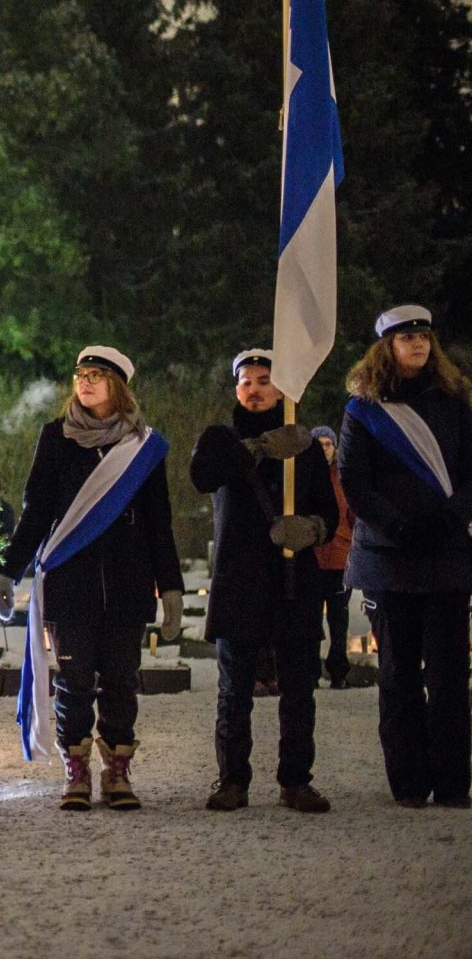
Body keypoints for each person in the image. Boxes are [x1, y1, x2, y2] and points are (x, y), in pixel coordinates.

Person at [0, 346, 183, 811]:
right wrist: (8, 571)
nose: (85, 381)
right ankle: (75, 772)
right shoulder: (56, 437)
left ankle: (117, 773)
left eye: (97, 374)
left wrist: (172, 587)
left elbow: (160, 521)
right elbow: (37, 512)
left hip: (127, 581)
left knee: (120, 680)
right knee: (74, 681)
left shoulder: (144, 447)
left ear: (117, 385)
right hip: (70, 579)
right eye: (80, 374)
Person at [188, 349, 338, 814]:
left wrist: (312, 528)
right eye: (247, 381)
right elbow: (203, 475)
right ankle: (232, 780)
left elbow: (329, 513)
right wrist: (256, 448)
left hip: (294, 583)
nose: (254, 389)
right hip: (240, 583)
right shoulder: (220, 438)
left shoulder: (307, 446)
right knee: (235, 692)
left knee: (299, 692)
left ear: (282, 389)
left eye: (264, 380)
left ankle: (296, 781)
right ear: (236, 389)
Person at [336, 304, 472, 809]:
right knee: (397, 675)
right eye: (406, 337)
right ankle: (409, 782)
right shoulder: (363, 410)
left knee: (449, 675)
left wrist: (450, 516)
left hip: (446, 554)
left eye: (423, 336)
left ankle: (454, 783)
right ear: (386, 347)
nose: (417, 343)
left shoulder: (455, 402)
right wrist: (395, 524)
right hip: (390, 557)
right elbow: (354, 479)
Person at [310, 425, 355, 688]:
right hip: (314, 557)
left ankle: (338, 671)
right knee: (312, 618)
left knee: (339, 618)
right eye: (320, 444)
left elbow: (352, 511)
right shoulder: (307, 474)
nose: (325, 449)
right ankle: (311, 671)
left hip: (340, 555)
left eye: (328, 444)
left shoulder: (343, 476)